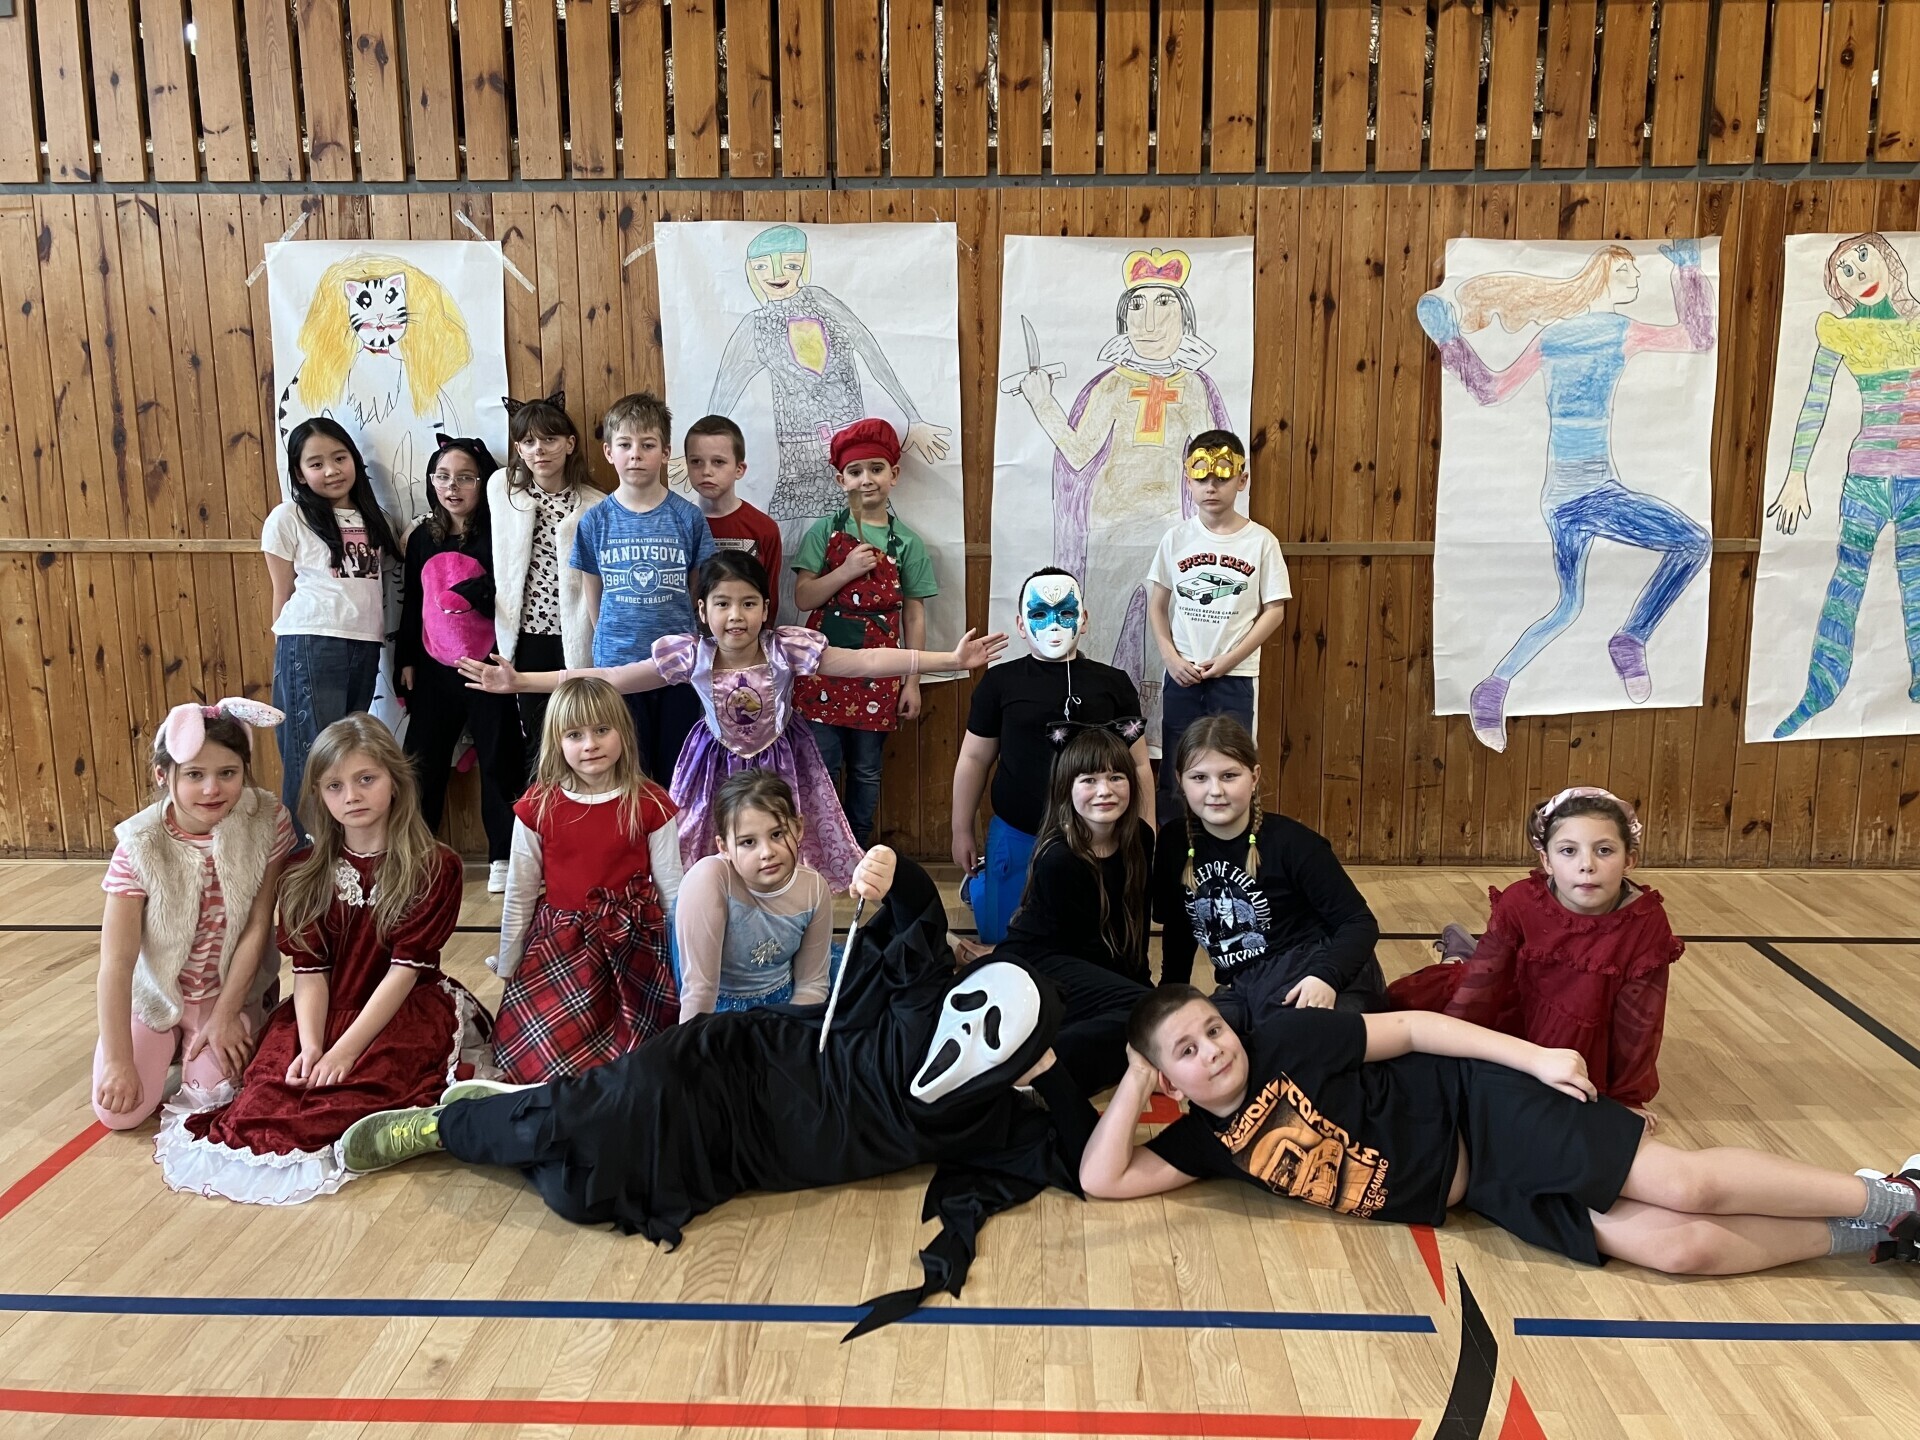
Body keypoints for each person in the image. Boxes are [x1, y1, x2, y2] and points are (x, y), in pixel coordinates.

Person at [338, 854, 1099, 1336]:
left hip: (744, 1155)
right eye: (978, 1002)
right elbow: (918, 918)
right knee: (605, 1113)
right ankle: (447, 1128)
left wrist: (1052, 1073)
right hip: (733, 1064)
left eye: (1002, 1037)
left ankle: (522, 1108)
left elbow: (1084, 1160)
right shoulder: (921, 1002)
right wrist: (891, 870)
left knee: (582, 1194)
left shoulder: (989, 1119)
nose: (970, 1026)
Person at [1081, 987, 1920, 1272]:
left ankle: (1896, 1196)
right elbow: (1102, 1178)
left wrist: (1535, 1058)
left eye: (1213, 1029)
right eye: (1186, 1052)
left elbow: (1413, 1028)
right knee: (1679, 1249)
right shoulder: (1205, 1145)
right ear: (1169, 1080)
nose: (1214, 1050)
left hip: (1480, 1109)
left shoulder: (1285, 1041)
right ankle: (1881, 1241)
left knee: (1683, 1183)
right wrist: (1134, 1080)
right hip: (1482, 1189)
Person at [460, 550, 1007, 891]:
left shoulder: (787, 648)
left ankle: (786, 923)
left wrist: (950, 660)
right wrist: (521, 681)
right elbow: (613, 676)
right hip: (713, 766)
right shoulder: (690, 655)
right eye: (722, 603)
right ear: (702, 611)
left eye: (748, 603)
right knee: (705, 853)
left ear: (766, 609)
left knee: (783, 849)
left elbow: (864, 663)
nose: (735, 616)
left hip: (782, 762)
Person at [155, 715, 489, 1205]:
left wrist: (344, 1052)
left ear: (395, 780)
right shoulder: (303, 872)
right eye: (335, 786)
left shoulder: (435, 867)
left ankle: (418, 1127)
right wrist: (314, 1047)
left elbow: (402, 974)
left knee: (361, 1089)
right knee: (273, 1093)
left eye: (366, 779)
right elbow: (310, 973)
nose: (351, 796)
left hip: (401, 1008)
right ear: (319, 794)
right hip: (321, 1007)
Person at [1419, 241, 1716, 752]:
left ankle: (1493, 687)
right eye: (1625, 272)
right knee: (1693, 543)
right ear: (1602, 277)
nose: (1635, 279)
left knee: (1568, 605)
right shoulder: (1618, 330)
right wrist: (1687, 274)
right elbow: (1697, 336)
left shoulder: (1552, 337)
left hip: (1561, 499)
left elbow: (1489, 389)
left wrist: (1450, 341)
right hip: (1592, 494)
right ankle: (1631, 638)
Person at [1388, 787, 1681, 1121]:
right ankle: (1460, 958)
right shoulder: (1521, 901)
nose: (1587, 865)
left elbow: (1640, 1021)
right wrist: (1449, 1058)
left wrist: (1629, 1098)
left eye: (1604, 850)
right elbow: (1482, 987)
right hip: (1513, 1004)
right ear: (1546, 861)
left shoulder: (1645, 921)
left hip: (1584, 1025)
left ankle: (1463, 953)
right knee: (1412, 1014)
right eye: (1568, 851)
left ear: (1629, 859)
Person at [93, 701, 297, 1130]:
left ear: (245, 770)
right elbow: (116, 963)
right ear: (162, 775)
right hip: (158, 996)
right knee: (119, 1114)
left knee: (209, 1099)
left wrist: (226, 1014)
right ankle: (167, 1043)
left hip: (229, 993)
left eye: (228, 773)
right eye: (194, 775)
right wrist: (118, 1060)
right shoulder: (139, 844)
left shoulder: (268, 821)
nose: (211, 789)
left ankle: (231, 1029)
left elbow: (258, 924)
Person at [1764, 232, 1920, 737]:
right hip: (1866, 478)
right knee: (1846, 584)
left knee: (1918, 582)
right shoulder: (1841, 332)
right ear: (1840, 289)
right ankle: (1819, 691)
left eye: (1864, 258)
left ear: (1888, 259)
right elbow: (1815, 400)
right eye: (1846, 272)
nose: (1860, 274)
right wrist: (1795, 475)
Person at [493, 678, 683, 1082]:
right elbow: (520, 892)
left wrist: (685, 964)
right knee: (539, 1058)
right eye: (575, 735)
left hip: (634, 948)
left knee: (643, 1059)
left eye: (601, 729)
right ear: (557, 742)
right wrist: (510, 962)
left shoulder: (650, 802)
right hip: (561, 949)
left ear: (623, 731)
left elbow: (673, 893)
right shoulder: (537, 806)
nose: (590, 744)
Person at [952, 566, 1152, 945]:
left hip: (1097, 838)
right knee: (1004, 940)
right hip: (1018, 832)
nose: (1054, 624)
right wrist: (960, 829)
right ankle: (981, 887)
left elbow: (1138, 763)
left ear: (1084, 620)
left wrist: (1145, 832)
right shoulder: (1000, 682)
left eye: (1066, 613)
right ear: (1021, 624)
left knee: (1086, 939)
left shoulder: (1113, 684)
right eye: (1040, 613)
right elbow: (974, 759)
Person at [1154, 716, 1386, 1023]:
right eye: (1199, 778)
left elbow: (1359, 922)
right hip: (1250, 987)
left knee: (1294, 1037)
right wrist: (1170, 1000)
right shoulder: (1173, 842)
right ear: (1180, 780)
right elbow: (1179, 930)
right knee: (1193, 1036)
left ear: (1254, 777)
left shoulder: (1294, 843)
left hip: (1320, 974)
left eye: (1229, 776)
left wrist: (1326, 978)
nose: (1215, 790)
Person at [792, 418, 940, 848]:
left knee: (866, 770)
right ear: (841, 480)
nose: (866, 479)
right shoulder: (824, 532)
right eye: (855, 471)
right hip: (822, 673)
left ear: (894, 474)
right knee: (822, 765)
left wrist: (912, 681)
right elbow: (803, 597)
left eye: (876, 469)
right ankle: (820, 850)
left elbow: (914, 616)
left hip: (880, 676)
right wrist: (846, 570)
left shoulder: (907, 543)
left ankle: (856, 851)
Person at [991, 725, 1156, 1091]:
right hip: (1040, 963)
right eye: (1089, 780)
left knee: (1154, 1013)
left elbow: (1137, 923)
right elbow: (1083, 951)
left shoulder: (1140, 839)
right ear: (1067, 787)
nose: (1105, 790)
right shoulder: (1060, 858)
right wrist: (1139, 997)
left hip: (1086, 967)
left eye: (1116, 777)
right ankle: (1035, 1073)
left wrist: (1143, 985)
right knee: (1144, 1014)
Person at [397, 434, 525, 892]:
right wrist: (406, 659)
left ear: (484, 482)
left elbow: (511, 597)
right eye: (443, 477)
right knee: (422, 762)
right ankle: (414, 853)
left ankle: (502, 856)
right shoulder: (421, 539)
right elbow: (413, 601)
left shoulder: (499, 534)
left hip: (487, 667)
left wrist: (484, 596)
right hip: (434, 667)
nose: (453, 487)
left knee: (498, 760)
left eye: (466, 478)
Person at [569, 392, 716, 780]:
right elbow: (592, 591)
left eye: (647, 445)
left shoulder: (688, 517)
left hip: (677, 668)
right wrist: (608, 642)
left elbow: (699, 589)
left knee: (677, 771)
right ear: (608, 452)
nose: (636, 454)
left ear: (665, 453)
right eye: (625, 445)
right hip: (617, 668)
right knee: (628, 772)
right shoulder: (595, 521)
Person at [262, 418, 402, 823]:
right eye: (316, 463)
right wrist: (286, 657)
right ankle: (303, 851)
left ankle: (340, 847)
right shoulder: (289, 517)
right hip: (310, 642)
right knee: (311, 757)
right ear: (299, 474)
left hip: (365, 643)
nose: (331, 470)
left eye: (340, 458)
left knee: (347, 755)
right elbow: (282, 592)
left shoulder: (375, 518)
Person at [1146, 430, 1289, 820]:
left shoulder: (1261, 542)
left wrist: (1230, 660)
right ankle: (1175, 849)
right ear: (1188, 480)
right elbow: (1157, 604)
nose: (1211, 486)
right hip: (1182, 674)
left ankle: (1236, 845)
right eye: (1202, 477)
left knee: (1233, 763)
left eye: (1222, 477)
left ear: (1242, 480)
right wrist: (1170, 658)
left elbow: (1274, 610)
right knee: (1178, 764)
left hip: (1235, 676)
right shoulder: (1176, 539)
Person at [488, 390, 605, 770]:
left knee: (581, 730)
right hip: (527, 634)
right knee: (537, 738)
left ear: (570, 444)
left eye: (550, 439)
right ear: (518, 449)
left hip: (577, 634)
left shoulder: (595, 504)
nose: (539, 449)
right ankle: (543, 804)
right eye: (528, 441)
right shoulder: (503, 490)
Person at [674, 770, 841, 1019]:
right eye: (748, 842)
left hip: (786, 1006)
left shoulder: (814, 889)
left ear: (798, 828)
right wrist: (698, 1041)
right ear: (724, 847)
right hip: (719, 1012)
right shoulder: (710, 879)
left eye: (777, 834)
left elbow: (811, 984)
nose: (767, 852)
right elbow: (699, 990)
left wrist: (786, 1031)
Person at [683, 413, 783, 622]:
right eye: (696, 462)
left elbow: (770, 599)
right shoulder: (678, 525)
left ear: (739, 469)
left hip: (745, 638)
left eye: (718, 462)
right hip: (688, 638)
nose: (706, 471)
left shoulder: (764, 529)